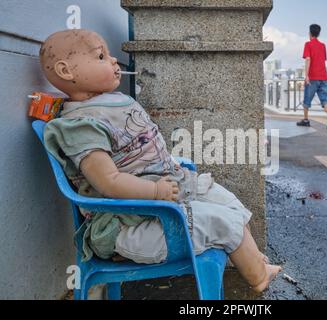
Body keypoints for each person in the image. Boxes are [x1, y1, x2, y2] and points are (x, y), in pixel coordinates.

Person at [40, 29, 281, 293]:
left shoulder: (112, 102)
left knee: (227, 202)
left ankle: (255, 259)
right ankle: (258, 277)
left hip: (164, 198)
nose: (113, 61)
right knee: (221, 221)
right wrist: (155, 190)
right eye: (100, 56)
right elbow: (109, 182)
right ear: (66, 71)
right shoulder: (81, 126)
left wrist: (167, 166)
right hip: (133, 223)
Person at [297, 24, 327, 129]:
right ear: (319, 34)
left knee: (307, 99)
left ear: (310, 33)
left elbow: (308, 59)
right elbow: (323, 60)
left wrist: (307, 76)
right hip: (323, 76)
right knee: (324, 98)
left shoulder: (308, 44)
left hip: (313, 77)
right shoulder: (323, 46)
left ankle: (305, 120)